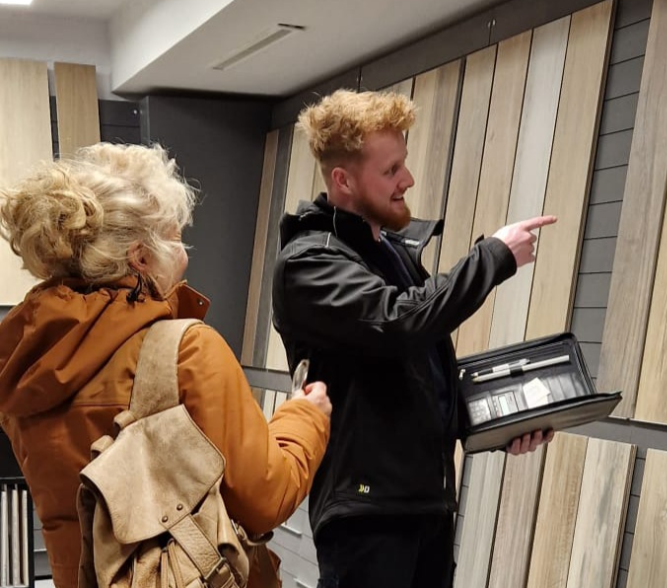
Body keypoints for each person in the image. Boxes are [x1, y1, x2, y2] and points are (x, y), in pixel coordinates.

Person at [0, 143, 332, 588]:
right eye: (177, 240)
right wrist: (305, 417)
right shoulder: (185, 351)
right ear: (140, 257)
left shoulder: (24, 362)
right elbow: (266, 499)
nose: (186, 255)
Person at [271, 89, 555, 588]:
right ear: (343, 180)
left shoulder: (390, 253)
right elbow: (399, 323)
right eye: (391, 170)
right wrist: (492, 257)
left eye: (403, 163)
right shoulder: (308, 264)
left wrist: (498, 424)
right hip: (368, 516)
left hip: (426, 506)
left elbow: (412, 379)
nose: (408, 179)